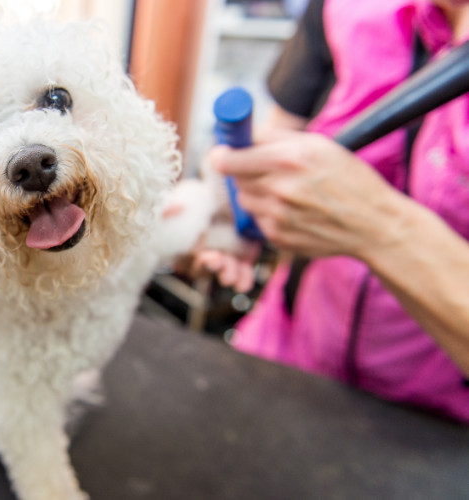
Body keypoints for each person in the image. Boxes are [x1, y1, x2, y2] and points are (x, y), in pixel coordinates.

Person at [194, 0, 469, 423]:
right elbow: (279, 138)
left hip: (430, 421)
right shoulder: (340, 9)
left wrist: (380, 226)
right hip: (287, 351)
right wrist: (246, 212)